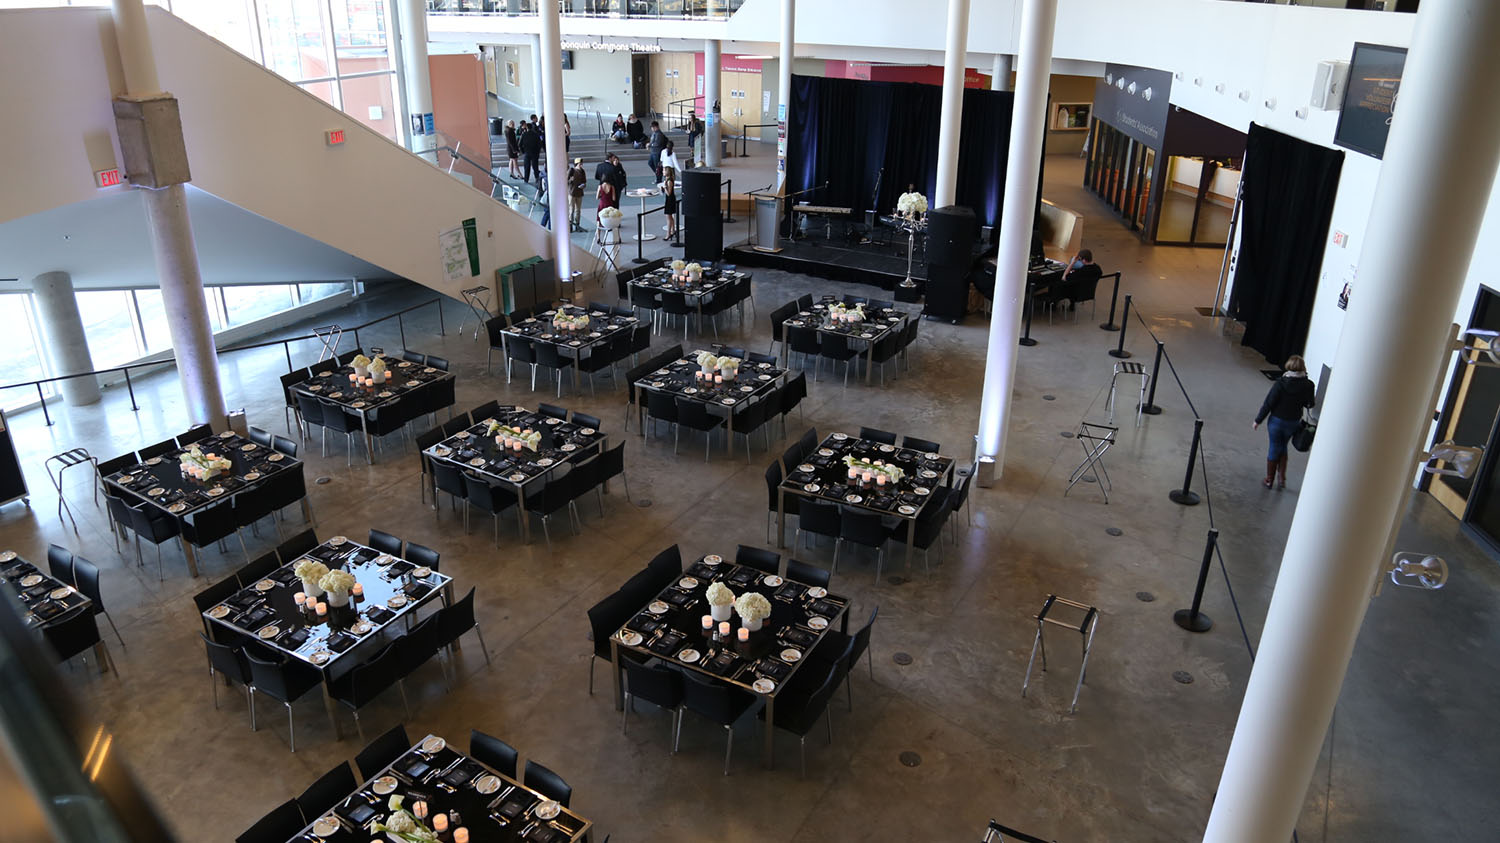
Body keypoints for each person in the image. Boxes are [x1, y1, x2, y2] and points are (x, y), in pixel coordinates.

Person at [1253, 354, 1316, 490]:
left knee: (1275, 446)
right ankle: (1282, 478)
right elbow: (1310, 404)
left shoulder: (1281, 383)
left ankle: (1269, 479)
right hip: (1293, 422)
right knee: (1283, 446)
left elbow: (1269, 403)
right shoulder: (1309, 385)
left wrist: (1258, 420)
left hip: (1276, 421)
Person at [518, 119, 542, 184]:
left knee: (526, 167)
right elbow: (539, 144)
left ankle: (526, 179)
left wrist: (523, 151)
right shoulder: (536, 135)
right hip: (534, 153)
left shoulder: (524, 134)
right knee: (535, 167)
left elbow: (520, 145)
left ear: (527, 128)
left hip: (527, 153)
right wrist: (538, 152)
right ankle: (537, 178)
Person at [567, 157, 587, 232]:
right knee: (571, 210)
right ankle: (570, 225)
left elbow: (584, 181)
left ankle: (577, 224)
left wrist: (583, 185)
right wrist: (570, 180)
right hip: (572, 193)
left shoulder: (582, 171)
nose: (581, 165)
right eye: (580, 163)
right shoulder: (571, 170)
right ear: (577, 164)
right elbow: (566, 180)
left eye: (581, 163)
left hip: (579, 192)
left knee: (578, 210)